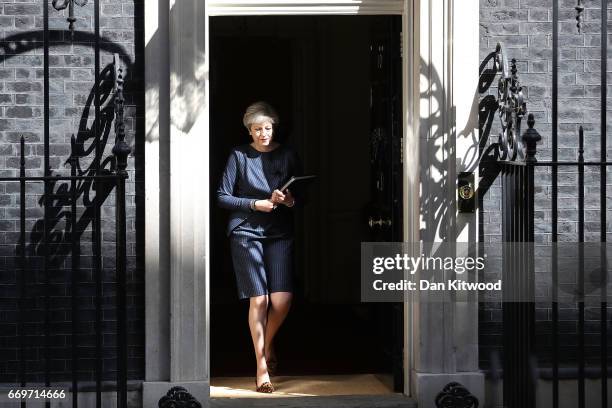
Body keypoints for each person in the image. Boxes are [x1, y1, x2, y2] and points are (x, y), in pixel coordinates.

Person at [216, 101, 303, 393]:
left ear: (273, 128)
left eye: (267, 128)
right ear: (249, 131)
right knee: (260, 300)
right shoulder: (239, 156)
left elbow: (300, 194)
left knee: (282, 301)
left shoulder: (287, 154)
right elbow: (222, 196)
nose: (263, 134)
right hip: (245, 232)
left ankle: (266, 342)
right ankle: (261, 366)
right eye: (257, 130)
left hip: (279, 232)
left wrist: (289, 200)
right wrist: (256, 203)